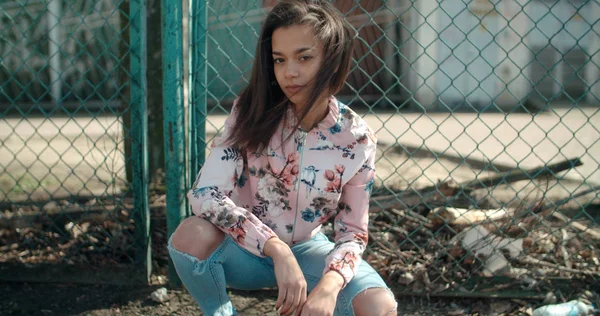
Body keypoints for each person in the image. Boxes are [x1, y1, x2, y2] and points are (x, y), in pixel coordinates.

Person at [168, 0, 398, 315]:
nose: (289, 72)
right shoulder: (249, 112)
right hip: (240, 249)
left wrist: (328, 289)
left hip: (307, 252)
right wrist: (275, 248)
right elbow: (205, 194)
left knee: (379, 306)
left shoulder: (355, 139)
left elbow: (352, 233)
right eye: (279, 59)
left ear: (332, 60)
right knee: (191, 235)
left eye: (304, 57)